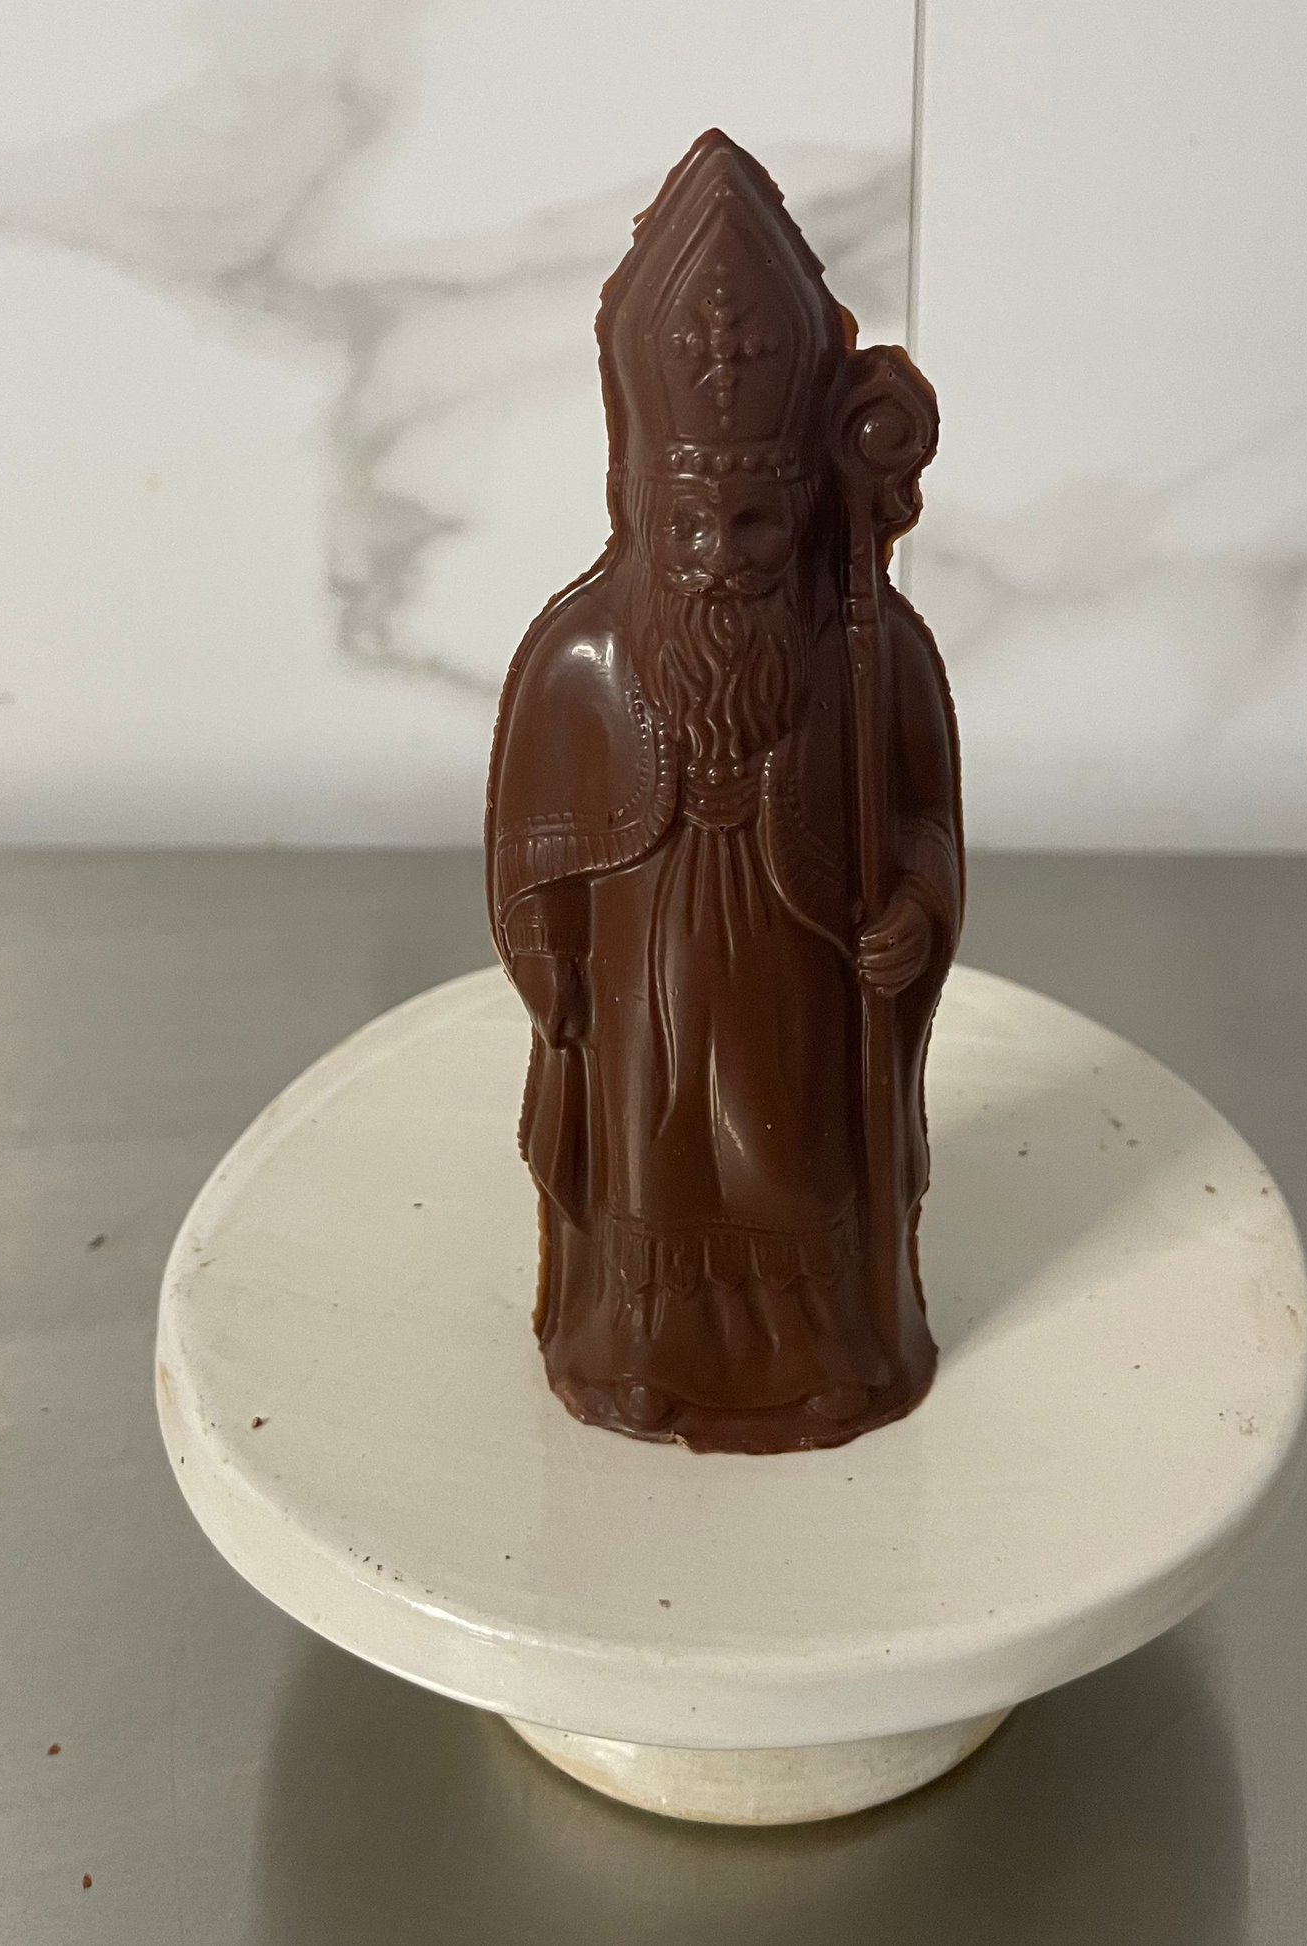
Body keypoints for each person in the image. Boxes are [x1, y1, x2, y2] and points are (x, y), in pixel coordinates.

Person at [485, 130, 963, 1453]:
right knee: (658, 1156)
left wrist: (913, 908)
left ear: (803, 503)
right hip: (647, 965)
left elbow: (923, 817)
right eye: (687, 525)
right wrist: (550, 955)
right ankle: (636, 1350)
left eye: (754, 523)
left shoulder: (868, 647)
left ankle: (827, 1349)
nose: (720, 559)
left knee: (790, 1158)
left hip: (794, 954)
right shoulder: (579, 653)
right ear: (635, 500)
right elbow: (529, 845)